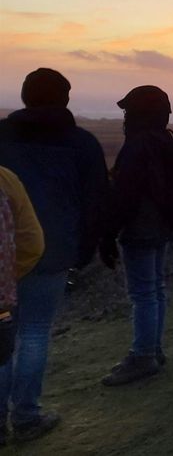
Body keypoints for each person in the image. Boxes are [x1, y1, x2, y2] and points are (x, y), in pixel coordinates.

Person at [0, 68, 107, 443]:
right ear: (64, 98)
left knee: (2, 334)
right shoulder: (82, 144)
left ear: (25, 96)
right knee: (33, 332)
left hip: (4, 253)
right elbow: (95, 203)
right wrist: (88, 249)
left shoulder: (2, 135)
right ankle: (26, 416)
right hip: (53, 250)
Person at [98, 86, 173, 386]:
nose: (125, 117)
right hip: (161, 226)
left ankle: (143, 356)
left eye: (129, 111)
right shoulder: (164, 142)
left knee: (143, 293)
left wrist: (108, 233)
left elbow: (125, 195)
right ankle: (153, 350)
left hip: (141, 227)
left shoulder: (137, 146)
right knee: (155, 289)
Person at [0, 167, 47, 373]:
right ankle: (24, 405)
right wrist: (9, 276)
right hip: (2, 298)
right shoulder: (5, 180)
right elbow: (32, 243)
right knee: (34, 330)